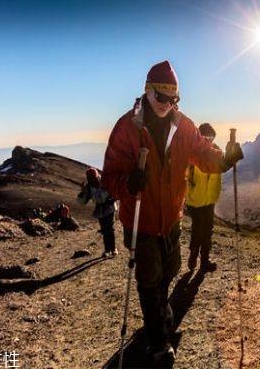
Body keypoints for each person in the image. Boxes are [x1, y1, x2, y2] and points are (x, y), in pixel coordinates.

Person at [101, 60, 243, 363]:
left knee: (169, 272)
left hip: (171, 219)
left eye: (174, 98)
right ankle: (158, 342)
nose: (168, 104)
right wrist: (128, 183)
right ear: (148, 92)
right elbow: (109, 177)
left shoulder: (183, 125)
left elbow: (203, 153)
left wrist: (223, 161)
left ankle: (158, 313)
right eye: (162, 97)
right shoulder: (128, 128)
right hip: (142, 220)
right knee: (149, 279)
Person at [186, 123, 222, 272]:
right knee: (198, 230)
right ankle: (193, 256)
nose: (209, 140)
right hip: (195, 200)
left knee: (207, 231)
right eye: (205, 137)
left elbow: (223, 165)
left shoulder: (217, 152)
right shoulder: (192, 153)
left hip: (209, 198)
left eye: (211, 137)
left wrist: (232, 157)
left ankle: (204, 262)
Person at [78, 168, 117, 257]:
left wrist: (113, 197)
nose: (92, 180)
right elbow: (82, 202)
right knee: (104, 229)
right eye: (90, 179)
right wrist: (83, 192)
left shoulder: (105, 181)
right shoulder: (89, 187)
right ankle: (108, 250)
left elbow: (114, 191)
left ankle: (113, 248)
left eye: (93, 178)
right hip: (100, 209)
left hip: (109, 206)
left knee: (109, 227)